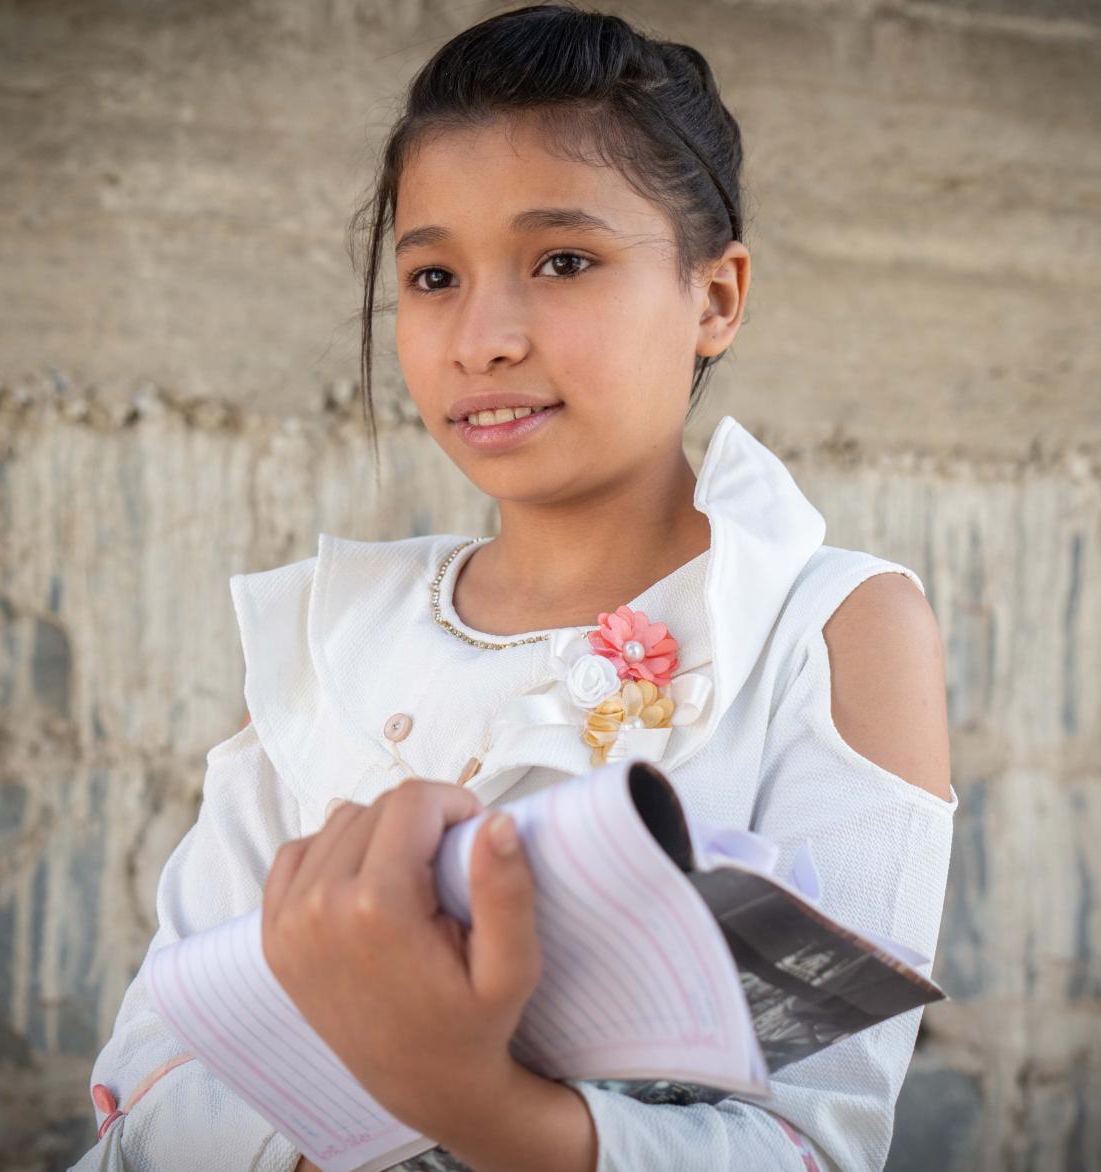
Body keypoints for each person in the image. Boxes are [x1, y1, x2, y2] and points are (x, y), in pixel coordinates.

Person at [70, 4, 956, 1171]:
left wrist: (475, 1102)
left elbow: (815, 1144)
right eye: (432, 274)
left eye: (563, 261)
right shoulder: (331, 640)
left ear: (717, 297)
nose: (480, 336)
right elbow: (145, 1082)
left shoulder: (823, 628)